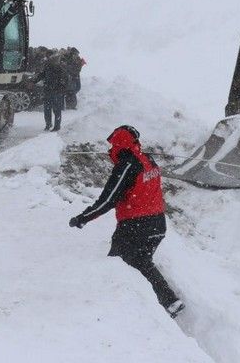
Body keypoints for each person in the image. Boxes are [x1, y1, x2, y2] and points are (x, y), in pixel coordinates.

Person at [69, 125, 185, 318]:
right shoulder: (148, 160)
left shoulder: (127, 166)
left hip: (135, 226)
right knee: (141, 263)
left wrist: (83, 218)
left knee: (118, 267)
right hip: (157, 224)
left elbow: (108, 200)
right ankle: (169, 302)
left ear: (119, 144)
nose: (110, 150)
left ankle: (124, 314)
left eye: (112, 145)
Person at [37, 54, 69, 131]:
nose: (53, 61)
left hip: (56, 93)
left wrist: (62, 89)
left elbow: (65, 81)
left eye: (54, 60)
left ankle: (57, 126)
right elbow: (41, 75)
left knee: (56, 110)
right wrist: (33, 81)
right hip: (48, 91)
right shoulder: (47, 68)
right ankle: (48, 124)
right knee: (47, 109)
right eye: (52, 60)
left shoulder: (61, 69)